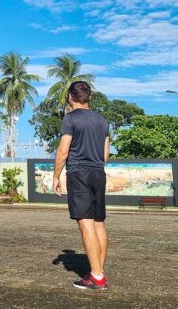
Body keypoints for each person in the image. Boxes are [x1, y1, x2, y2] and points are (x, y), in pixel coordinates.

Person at [52, 81, 110, 290]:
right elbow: (105, 153)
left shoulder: (70, 119)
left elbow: (63, 151)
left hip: (79, 173)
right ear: (89, 97)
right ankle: (99, 272)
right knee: (98, 223)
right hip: (98, 173)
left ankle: (96, 277)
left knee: (86, 224)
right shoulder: (102, 120)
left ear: (70, 97)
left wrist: (56, 176)